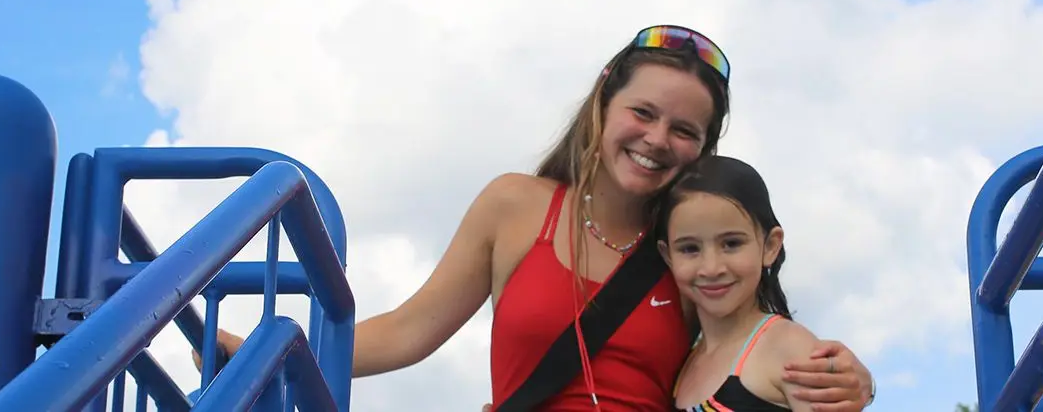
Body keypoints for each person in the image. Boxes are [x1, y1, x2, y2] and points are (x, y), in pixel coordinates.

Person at [198, 25, 876, 411]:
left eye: (684, 130)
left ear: (703, 149)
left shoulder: (690, 250)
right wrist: (264, 347)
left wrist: (849, 378)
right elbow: (409, 331)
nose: (656, 138)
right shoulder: (515, 206)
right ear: (604, 101)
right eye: (643, 112)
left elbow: (754, 338)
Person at [657, 155, 819, 412]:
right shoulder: (683, 362)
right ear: (668, 256)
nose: (711, 268)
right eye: (689, 248)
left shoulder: (790, 350)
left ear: (770, 245)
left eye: (731, 244)